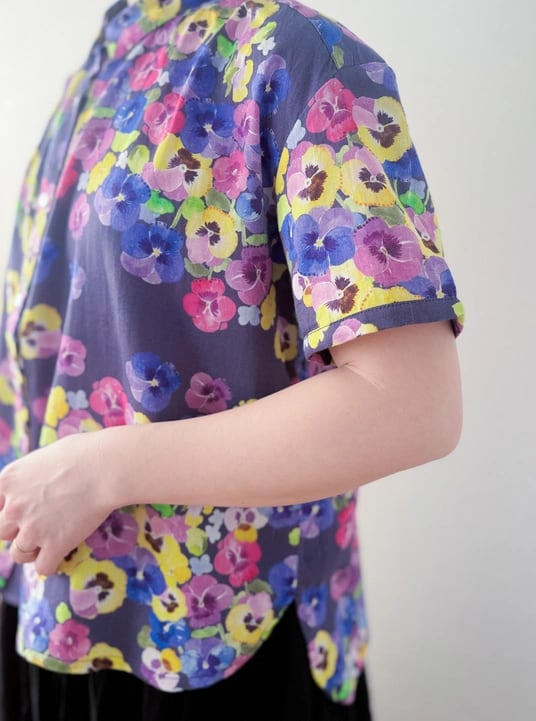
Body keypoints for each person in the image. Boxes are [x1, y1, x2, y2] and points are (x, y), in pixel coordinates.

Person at [0, 0, 464, 719]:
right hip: (52, 617)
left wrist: (101, 471)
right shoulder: (106, 59)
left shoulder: (298, 56)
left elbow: (411, 406)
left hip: (222, 639)